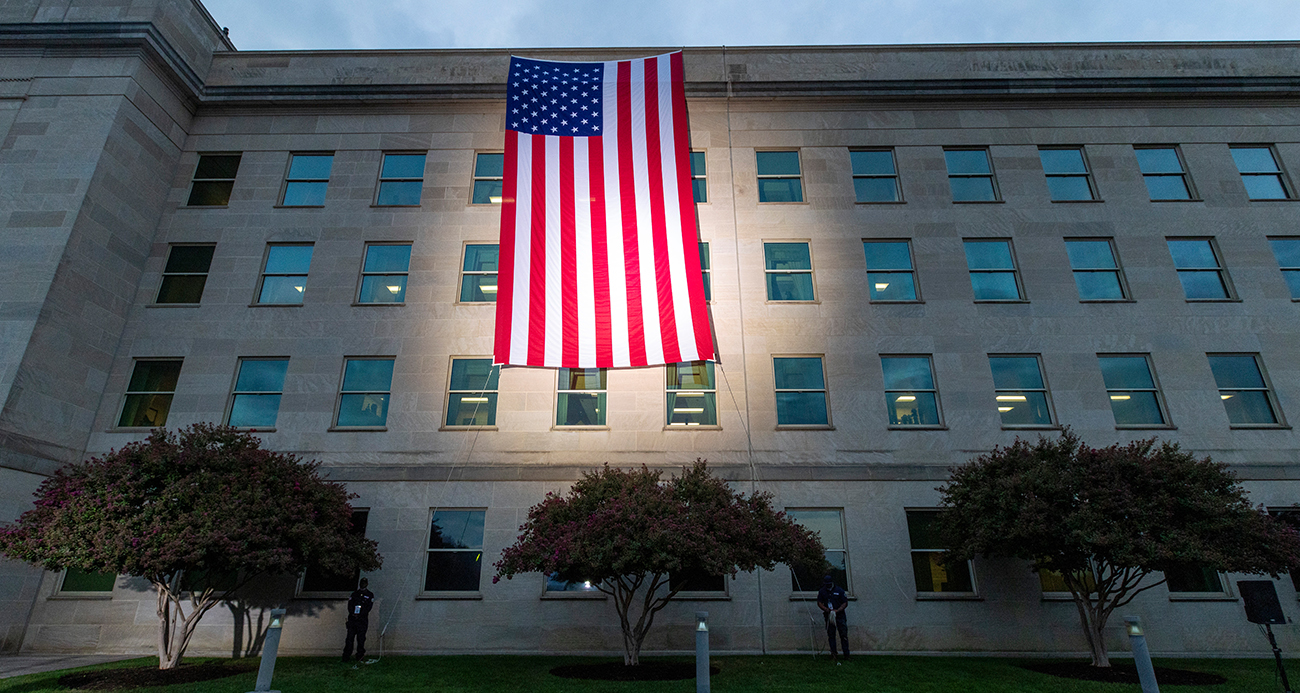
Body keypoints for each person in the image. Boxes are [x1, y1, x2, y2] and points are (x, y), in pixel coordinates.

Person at [816, 574, 849, 660]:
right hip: (829, 616)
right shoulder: (822, 591)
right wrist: (826, 609)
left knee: (843, 635)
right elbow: (819, 602)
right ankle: (833, 654)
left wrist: (837, 610)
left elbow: (845, 602)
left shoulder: (839, 590)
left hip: (839, 615)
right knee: (831, 635)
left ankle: (846, 654)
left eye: (829, 584)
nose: (828, 585)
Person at [343, 577, 375, 663]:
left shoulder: (369, 595)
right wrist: (353, 614)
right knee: (350, 638)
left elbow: (368, 607)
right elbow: (350, 605)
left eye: (364, 583)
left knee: (361, 639)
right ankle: (346, 656)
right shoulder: (354, 594)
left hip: (362, 620)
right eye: (361, 583)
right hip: (353, 620)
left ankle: (360, 656)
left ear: (367, 584)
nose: (363, 584)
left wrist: (360, 615)